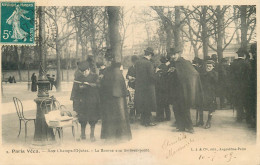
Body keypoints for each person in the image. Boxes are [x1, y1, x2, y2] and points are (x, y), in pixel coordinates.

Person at [167, 48, 203, 133]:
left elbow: (194, 73)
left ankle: (190, 127)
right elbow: (171, 75)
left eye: (174, 54)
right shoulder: (172, 63)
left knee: (184, 108)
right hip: (174, 90)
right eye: (171, 55)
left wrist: (184, 80)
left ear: (178, 54)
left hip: (183, 90)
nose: (172, 56)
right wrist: (170, 72)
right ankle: (180, 127)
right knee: (176, 108)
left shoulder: (184, 62)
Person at [100, 49, 132, 140]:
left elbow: (112, 85)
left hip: (116, 98)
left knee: (118, 116)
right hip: (112, 97)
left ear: (110, 61)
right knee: (114, 117)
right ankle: (113, 136)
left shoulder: (115, 71)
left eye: (105, 60)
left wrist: (102, 83)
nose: (104, 62)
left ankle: (119, 137)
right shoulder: (109, 70)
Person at [70, 61, 100, 141]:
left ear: (89, 69)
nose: (84, 73)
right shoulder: (78, 77)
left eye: (85, 71)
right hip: (82, 101)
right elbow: (74, 90)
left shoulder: (95, 76)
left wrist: (89, 84)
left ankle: (92, 135)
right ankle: (83, 134)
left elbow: (99, 85)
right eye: (82, 72)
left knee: (93, 118)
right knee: (82, 118)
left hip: (92, 100)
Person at [135, 47, 157, 127]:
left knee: (142, 103)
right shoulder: (149, 63)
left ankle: (143, 121)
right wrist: (156, 77)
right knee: (148, 103)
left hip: (139, 87)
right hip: (148, 87)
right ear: (150, 55)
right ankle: (148, 122)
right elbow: (151, 76)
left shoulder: (137, 62)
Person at [229, 48, 251, 123]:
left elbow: (230, 76)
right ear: (244, 55)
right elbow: (249, 75)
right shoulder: (247, 63)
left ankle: (239, 117)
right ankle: (248, 118)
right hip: (245, 86)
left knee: (238, 101)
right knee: (246, 101)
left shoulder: (233, 63)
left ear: (238, 55)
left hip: (236, 86)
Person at [200, 60, 218, 128]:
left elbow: (216, 81)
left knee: (210, 107)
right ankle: (200, 121)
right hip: (203, 92)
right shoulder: (203, 73)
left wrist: (209, 73)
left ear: (213, 67)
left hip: (211, 92)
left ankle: (208, 121)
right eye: (207, 66)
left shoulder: (215, 73)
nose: (208, 67)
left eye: (210, 66)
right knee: (200, 105)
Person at [155, 56, 171, 122]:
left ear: (160, 61)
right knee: (166, 103)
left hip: (159, 88)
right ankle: (168, 117)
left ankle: (160, 117)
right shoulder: (168, 68)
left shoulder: (158, 68)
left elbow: (156, 77)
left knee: (160, 103)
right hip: (166, 88)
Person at [126, 55, 138, 123]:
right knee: (131, 101)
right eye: (133, 62)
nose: (134, 63)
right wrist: (129, 77)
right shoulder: (130, 68)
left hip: (137, 86)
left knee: (137, 100)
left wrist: (135, 79)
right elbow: (127, 75)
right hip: (131, 86)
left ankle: (138, 114)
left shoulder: (139, 68)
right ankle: (132, 115)